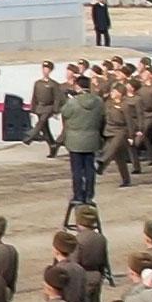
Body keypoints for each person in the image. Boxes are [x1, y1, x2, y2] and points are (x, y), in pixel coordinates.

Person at [60, 75, 103, 208]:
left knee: (77, 170)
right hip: (92, 138)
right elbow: (103, 116)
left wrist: (69, 99)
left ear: (77, 86)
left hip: (75, 140)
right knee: (90, 169)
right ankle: (89, 195)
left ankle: (78, 195)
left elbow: (65, 113)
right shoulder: (98, 101)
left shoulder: (73, 102)